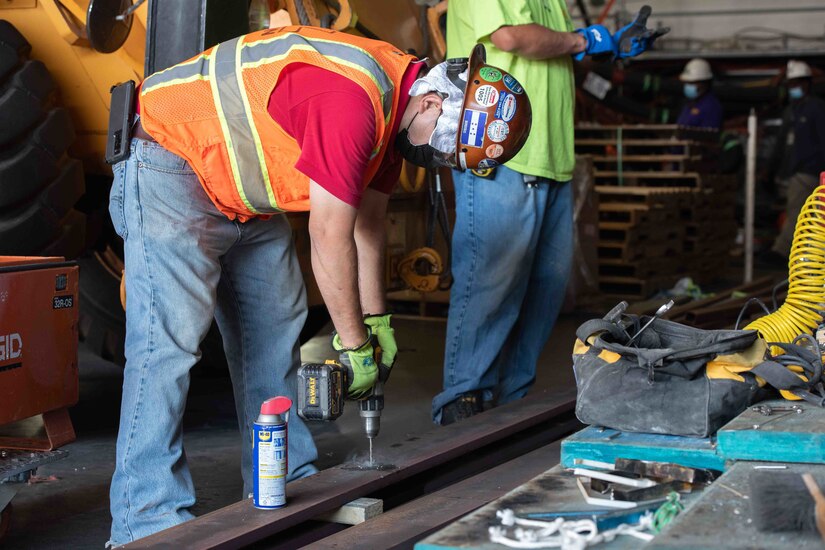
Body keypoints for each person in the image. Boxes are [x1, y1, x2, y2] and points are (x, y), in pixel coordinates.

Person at [106, 26, 531, 545]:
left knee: (275, 333)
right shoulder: (354, 104)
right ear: (434, 101)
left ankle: (284, 482)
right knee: (167, 348)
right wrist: (353, 348)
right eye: (443, 153)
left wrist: (377, 324)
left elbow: (369, 225)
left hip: (242, 191)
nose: (438, 163)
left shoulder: (398, 102)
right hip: (170, 160)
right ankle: (145, 522)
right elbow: (329, 237)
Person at [434, 1, 666, 425]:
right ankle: (462, 402)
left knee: (545, 289)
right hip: (500, 154)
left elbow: (551, 59)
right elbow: (510, 38)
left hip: (551, 157)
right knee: (491, 283)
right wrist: (583, 39)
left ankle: (512, 400)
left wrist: (605, 46)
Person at [765, 59, 825, 262]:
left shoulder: (816, 109)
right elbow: (782, 144)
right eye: (790, 84)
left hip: (809, 171)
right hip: (792, 172)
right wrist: (772, 170)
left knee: (797, 211)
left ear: (807, 83)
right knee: (802, 213)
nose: (794, 88)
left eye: (797, 83)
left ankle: (782, 251)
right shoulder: (791, 112)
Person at [676, 58, 723, 130]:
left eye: (692, 83)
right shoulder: (690, 105)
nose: (688, 86)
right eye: (687, 83)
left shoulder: (710, 106)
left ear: (705, 83)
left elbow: (707, 136)